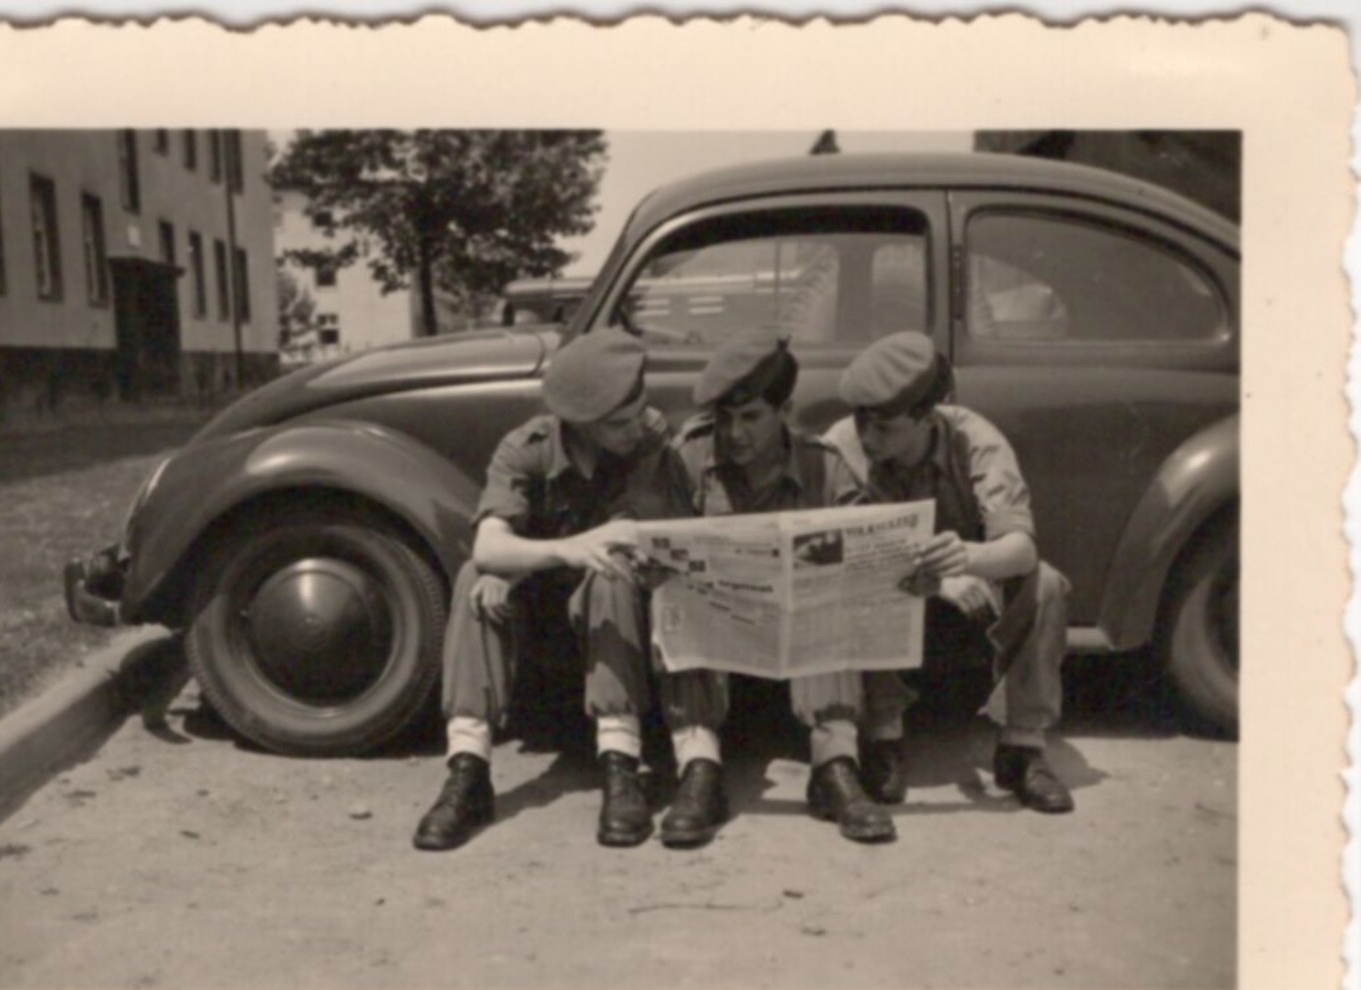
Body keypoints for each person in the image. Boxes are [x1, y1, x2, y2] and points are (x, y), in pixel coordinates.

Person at [413, 329, 689, 851]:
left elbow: (633, 539)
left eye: (638, 413)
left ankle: (620, 765)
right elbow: (489, 549)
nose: (636, 429)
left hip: (621, 628)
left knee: (609, 572)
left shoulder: (649, 441)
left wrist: (525, 560)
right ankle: (468, 772)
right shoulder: (527, 448)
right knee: (477, 580)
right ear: (579, 424)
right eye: (618, 424)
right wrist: (543, 558)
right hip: (541, 631)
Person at [656, 329, 896, 848]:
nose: (734, 433)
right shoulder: (690, 458)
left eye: (751, 418)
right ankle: (699, 769)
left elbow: (868, 555)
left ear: (785, 411)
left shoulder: (823, 466)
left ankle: (834, 766)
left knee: (830, 584)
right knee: (674, 589)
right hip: (716, 650)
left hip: (801, 653)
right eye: (724, 418)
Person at [824, 330, 1075, 814]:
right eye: (860, 419)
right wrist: (938, 581)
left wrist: (968, 559)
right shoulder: (841, 446)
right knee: (861, 580)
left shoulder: (975, 440)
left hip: (971, 615)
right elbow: (837, 553)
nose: (867, 437)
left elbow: (1021, 550)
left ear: (926, 416)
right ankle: (883, 737)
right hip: (891, 611)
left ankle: (1023, 748)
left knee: (1045, 583)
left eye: (883, 426)